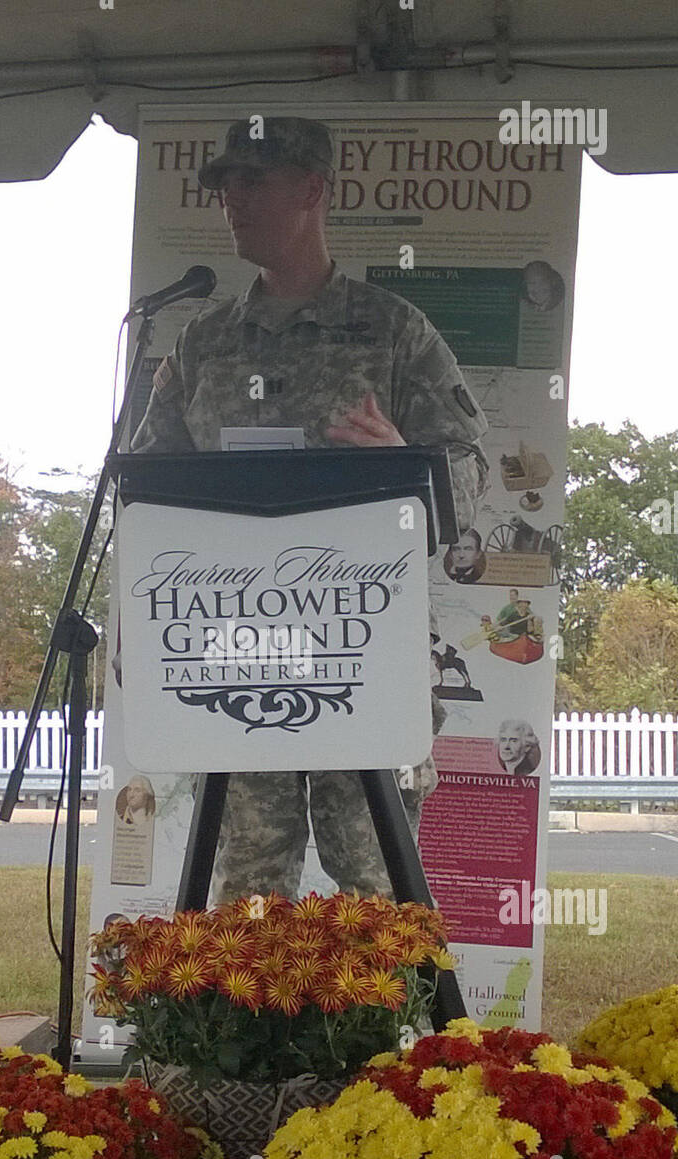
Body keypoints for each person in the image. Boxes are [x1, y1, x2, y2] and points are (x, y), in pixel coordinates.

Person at [130, 116, 488, 903]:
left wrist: (403, 462)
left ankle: (395, 1032)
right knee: (248, 902)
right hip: (235, 658)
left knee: (379, 889)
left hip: (366, 649)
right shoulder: (202, 342)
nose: (230, 201)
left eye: (250, 182)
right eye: (222, 187)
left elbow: (467, 474)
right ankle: (238, 1030)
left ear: (312, 189)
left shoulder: (394, 332)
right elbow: (149, 484)